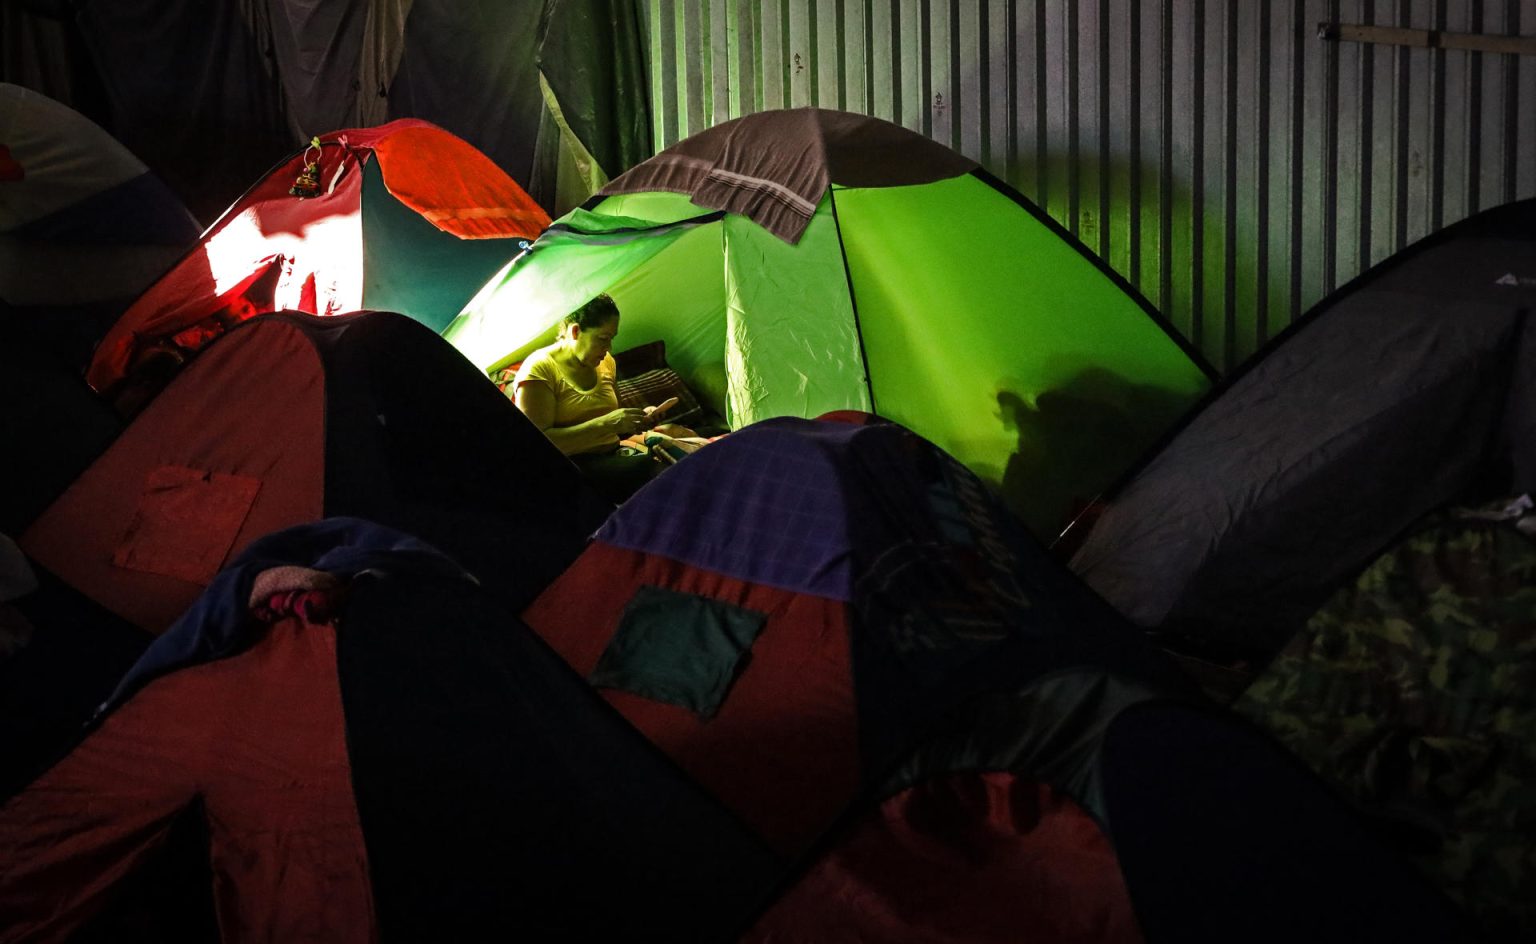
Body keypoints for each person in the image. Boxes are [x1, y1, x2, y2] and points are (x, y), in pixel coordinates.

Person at [511, 293, 689, 503]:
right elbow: (536, 446)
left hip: (613, 452)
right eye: (603, 339)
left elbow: (618, 419)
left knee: (680, 449)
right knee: (651, 471)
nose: (608, 349)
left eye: (611, 339)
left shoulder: (606, 362)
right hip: (574, 464)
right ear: (575, 331)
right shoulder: (540, 370)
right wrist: (606, 424)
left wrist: (641, 418)